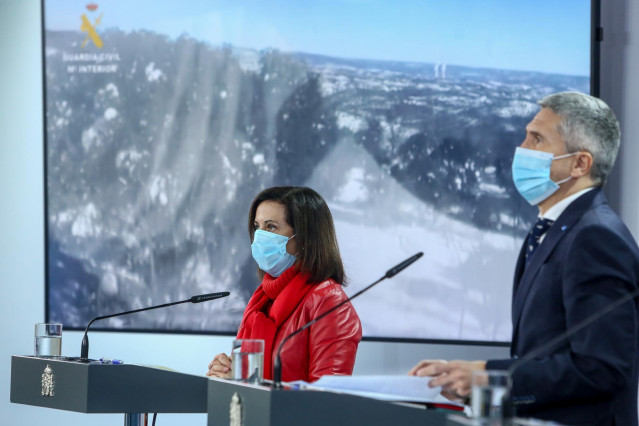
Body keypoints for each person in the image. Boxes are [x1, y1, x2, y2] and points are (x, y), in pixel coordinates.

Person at [410, 92, 639, 425]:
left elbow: (601, 368)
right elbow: (543, 354)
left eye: (537, 139)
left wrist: (490, 376)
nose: (522, 148)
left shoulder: (596, 237)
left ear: (580, 163)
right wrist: (474, 381)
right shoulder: (555, 229)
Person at [207, 186, 362, 382]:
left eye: (271, 227)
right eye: (257, 227)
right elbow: (251, 377)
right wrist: (227, 371)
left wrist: (245, 382)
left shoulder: (329, 303)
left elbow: (325, 400)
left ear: (304, 238)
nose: (259, 237)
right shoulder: (262, 298)